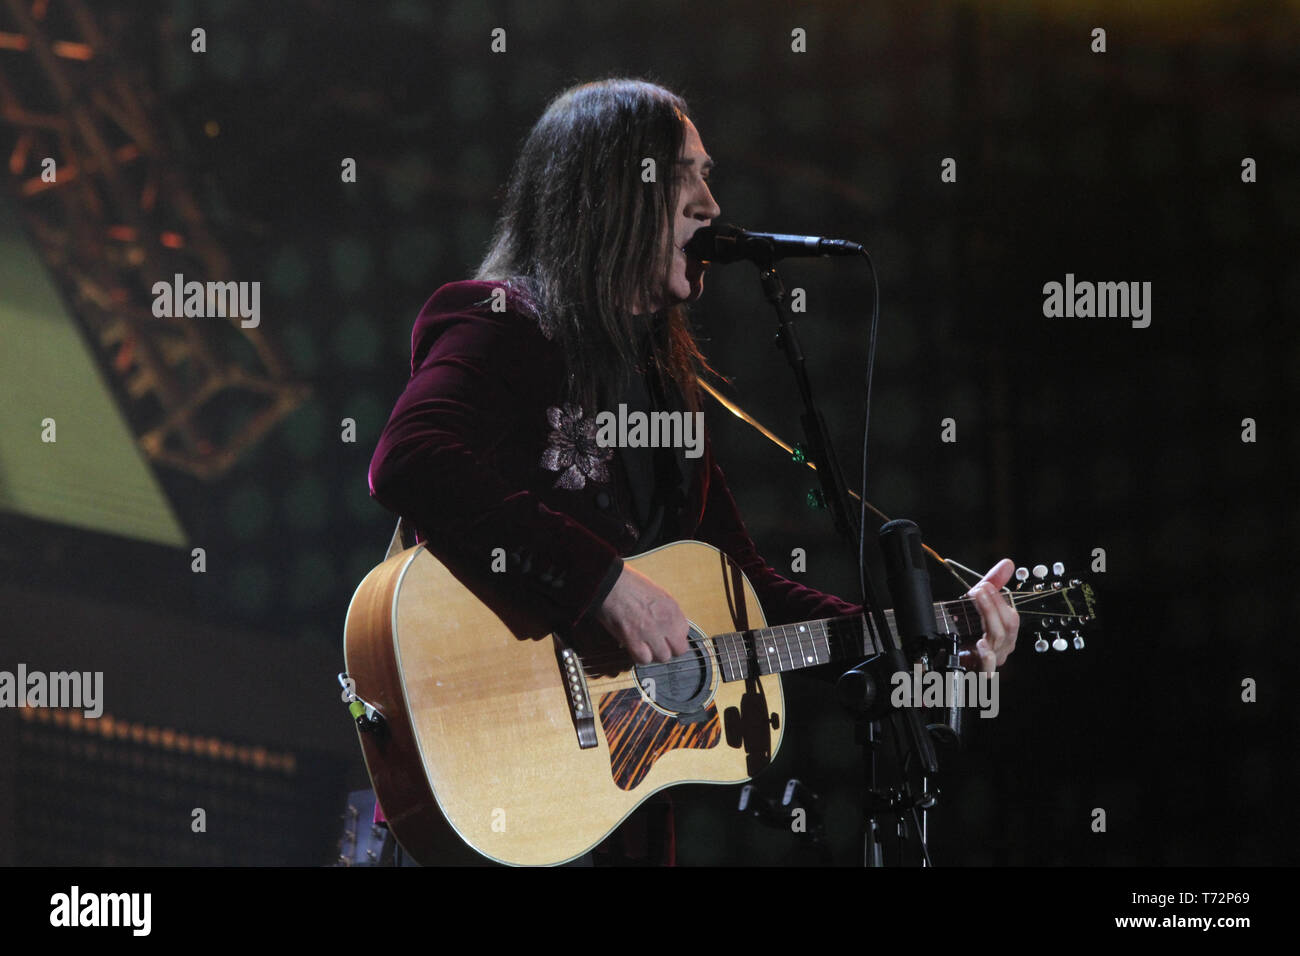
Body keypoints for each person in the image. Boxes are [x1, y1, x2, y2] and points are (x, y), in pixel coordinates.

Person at [367, 78, 1019, 864]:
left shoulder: (666, 386)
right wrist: (602, 584)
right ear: (611, 189)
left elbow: (744, 589)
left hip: (614, 815)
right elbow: (411, 458)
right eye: (687, 176)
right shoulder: (505, 323)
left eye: (710, 178)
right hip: (492, 775)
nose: (710, 205)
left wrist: (928, 636)